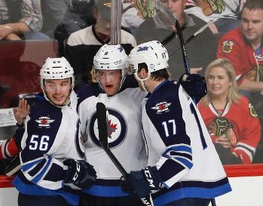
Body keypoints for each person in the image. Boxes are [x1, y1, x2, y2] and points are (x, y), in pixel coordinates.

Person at [122, 40, 231, 206]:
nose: (133, 76)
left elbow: (181, 156)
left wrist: (150, 178)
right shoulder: (174, 91)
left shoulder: (161, 101)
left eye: (135, 69)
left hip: (183, 189)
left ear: (144, 71)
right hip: (196, 186)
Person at [12, 57, 97, 206]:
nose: (58, 91)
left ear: (71, 84)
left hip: (56, 193)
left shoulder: (67, 101)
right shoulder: (47, 118)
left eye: (63, 84)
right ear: (43, 85)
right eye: (52, 85)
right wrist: (68, 173)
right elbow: (31, 162)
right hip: (43, 196)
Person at [76, 44, 147, 206]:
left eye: (113, 73)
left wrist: (187, 91)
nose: (107, 80)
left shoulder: (141, 96)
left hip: (130, 188)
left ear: (123, 72)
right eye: (102, 73)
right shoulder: (84, 99)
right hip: (93, 190)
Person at [135, 0, 217, 81]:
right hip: (164, 85)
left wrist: (197, 76)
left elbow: (212, 59)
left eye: (174, 1)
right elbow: (149, 62)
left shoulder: (200, 26)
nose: (169, 6)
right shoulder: (146, 29)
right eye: (164, 2)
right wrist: (183, 72)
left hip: (199, 83)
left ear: (184, 2)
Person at [198, 58, 261, 165]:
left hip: (237, 161)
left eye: (220, 78)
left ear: (231, 81)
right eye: (211, 77)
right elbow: (193, 136)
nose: (215, 82)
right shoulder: (198, 106)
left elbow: (252, 134)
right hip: (208, 162)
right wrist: (213, 142)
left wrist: (238, 154)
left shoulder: (243, 104)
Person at [65, 0, 137, 87]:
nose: (108, 26)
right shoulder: (77, 39)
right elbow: (75, 79)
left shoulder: (128, 40)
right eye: (104, 20)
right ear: (95, 14)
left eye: (112, 21)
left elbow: (130, 77)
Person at [216, 0, 263, 118]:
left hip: (258, 85)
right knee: (240, 96)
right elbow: (235, 82)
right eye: (245, 21)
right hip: (240, 91)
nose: (249, 26)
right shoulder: (230, 42)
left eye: (256, 22)